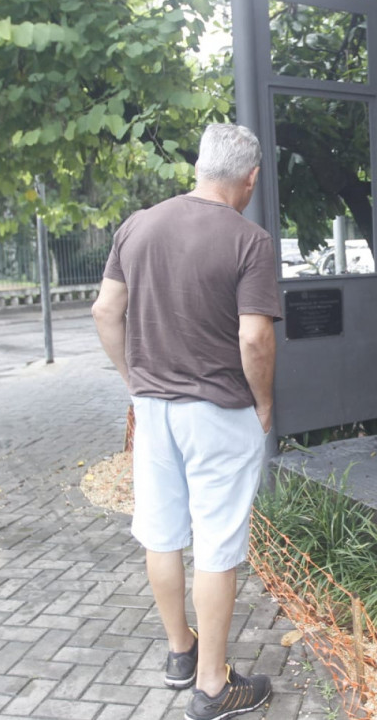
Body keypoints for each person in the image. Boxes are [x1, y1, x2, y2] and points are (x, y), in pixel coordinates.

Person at [92, 123, 281, 720]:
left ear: (199, 167)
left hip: (153, 412)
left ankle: (180, 653)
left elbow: (105, 311)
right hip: (219, 413)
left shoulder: (137, 226)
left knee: (162, 530)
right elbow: (254, 338)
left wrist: (133, 378)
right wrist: (266, 402)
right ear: (250, 179)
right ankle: (212, 687)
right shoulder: (250, 241)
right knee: (218, 544)